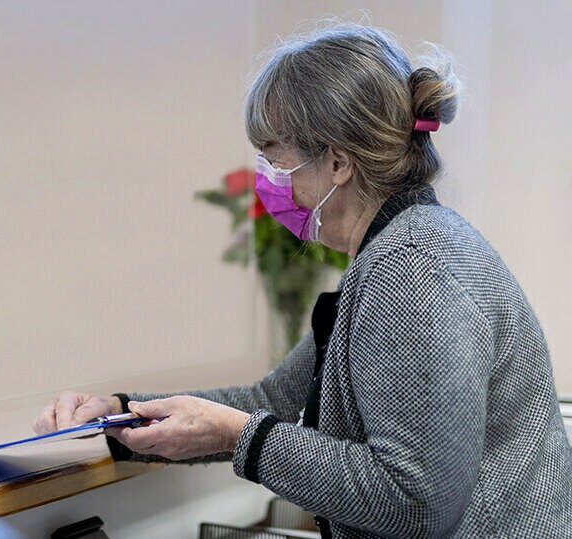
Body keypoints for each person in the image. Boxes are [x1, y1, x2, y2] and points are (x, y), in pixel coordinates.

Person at [34, 24, 571, 537]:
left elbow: (417, 501)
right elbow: (274, 398)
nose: (270, 184)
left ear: (338, 161)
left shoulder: (412, 269)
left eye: (275, 160)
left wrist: (239, 437)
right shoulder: (398, 251)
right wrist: (123, 415)